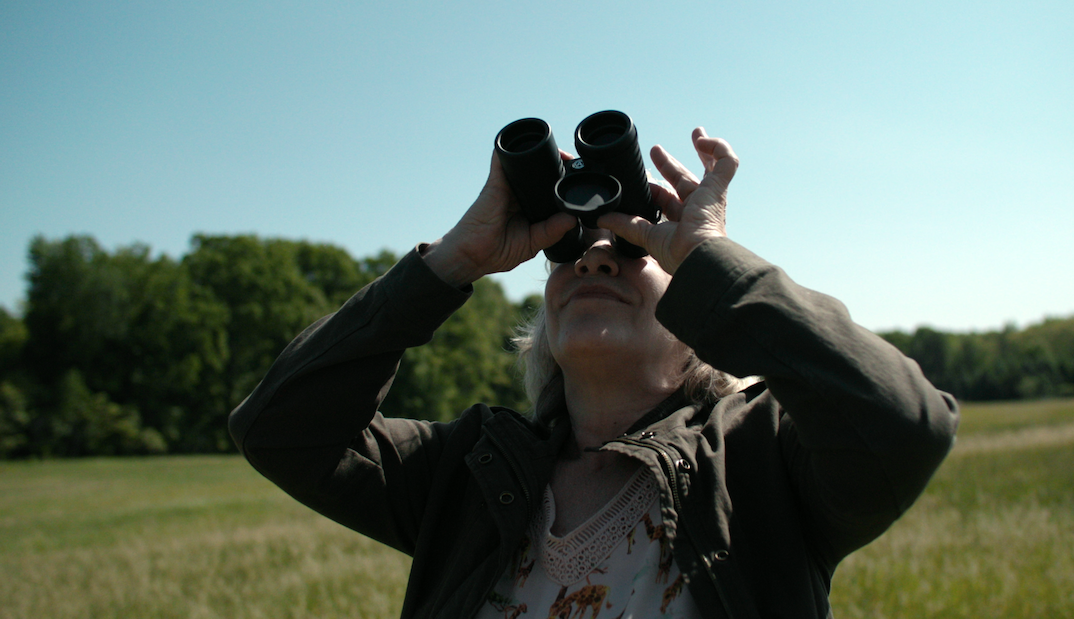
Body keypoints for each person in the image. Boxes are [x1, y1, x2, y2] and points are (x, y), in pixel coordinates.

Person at [229, 126, 958, 619]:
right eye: (572, 253)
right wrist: (453, 259)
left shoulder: (759, 461)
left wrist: (706, 254)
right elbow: (280, 429)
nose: (595, 257)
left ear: (701, 315)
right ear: (545, 319)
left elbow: (902, 422)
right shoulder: (468, 474)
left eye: (636, 250)